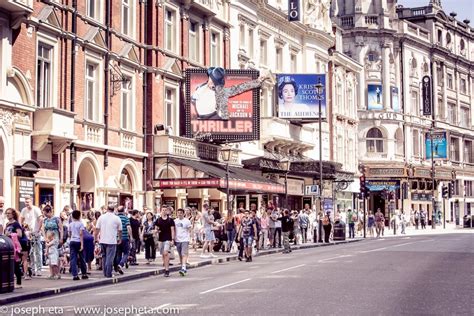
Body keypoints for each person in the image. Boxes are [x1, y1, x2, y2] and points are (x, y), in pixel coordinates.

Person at [192, 67, 270, 120]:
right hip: (200, 119)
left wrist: (259, 81)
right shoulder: (199, 87)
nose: (212, 83)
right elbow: (192, 100)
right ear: (209, 78)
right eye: (211, 79)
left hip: (212, 119)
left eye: (214, 81)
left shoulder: (221, 91)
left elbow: (241, 87)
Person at [94, 204, 122, 278]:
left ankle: (105, 273)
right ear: (114, 209)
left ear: (107, 209)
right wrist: (120, 238)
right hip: (112, 240)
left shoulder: (101, 217)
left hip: (102, 240)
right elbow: (120, 230)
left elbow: (97, 229)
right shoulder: (116, 218)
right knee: (110, 258)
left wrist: (95, 238)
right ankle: (108, 273)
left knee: (104, 257)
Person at [20, 196, 43, 277]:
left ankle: (39, 269)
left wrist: (38, 230)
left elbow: (41, 219)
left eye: (28, 202)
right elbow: (21, 219)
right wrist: (21, 228)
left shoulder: (36, 209)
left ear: (31, 202)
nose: (26, 204)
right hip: (27, 233)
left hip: (35, 233)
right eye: (25, 202)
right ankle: (33, 269)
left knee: (37, 251)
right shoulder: (24, 210)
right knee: (30, 252)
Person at [4, 208, 27, 284]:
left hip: (15, 246)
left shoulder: (16, 224)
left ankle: (19, 282)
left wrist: (10, 234)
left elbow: (20, 234)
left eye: (9, 213)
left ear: (13, 214)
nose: (7, 215)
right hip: (9, 245)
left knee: (15, 263)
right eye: (6, 213)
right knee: (9, 263)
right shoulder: (7, 224)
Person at [155, 208, 175, 277]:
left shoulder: (170, 220)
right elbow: (156, 229)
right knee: (163, 254)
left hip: (168, 238)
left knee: (166, 253)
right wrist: (156, 231)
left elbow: (172, 230)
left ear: (167, 211)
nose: (164, 211)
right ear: (161, 211)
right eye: (163, 210)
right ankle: (165, 266)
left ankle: (167, 270)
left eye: (165, 210)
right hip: (160, 239)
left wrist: (172, 239)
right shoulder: (158, 220)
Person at [69, 210, 88, 280]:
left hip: (72, 241)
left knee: (73, 258)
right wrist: (82, 244)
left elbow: (69, 234)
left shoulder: (70, 224)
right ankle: (84, 273)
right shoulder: (80, 224)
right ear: (79, 216)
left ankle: (75, 275)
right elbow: (81, 234)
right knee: (82, 258)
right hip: (78, 241)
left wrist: (71, 238)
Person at [114, 206, 132, 275]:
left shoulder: (115, 218)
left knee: (118, 253)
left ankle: (117, 266)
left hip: (116, 238)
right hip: (124, 237)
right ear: (124, 211)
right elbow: (128, 227)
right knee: (126, 253)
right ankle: (120, 265)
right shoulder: (125, 218)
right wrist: (131, 236)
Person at [174, 208, 191, 276]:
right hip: (177, 239)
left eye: (181, 213)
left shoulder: (187, 221)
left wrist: (191, 238)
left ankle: (184, 267)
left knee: (184, 254)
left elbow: (190, 229)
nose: (179, 214)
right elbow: (173, 230)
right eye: (178, 213)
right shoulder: (175, 221)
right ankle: (182, 267)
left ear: (183, 214)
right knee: (180, 254)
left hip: (185, 239)